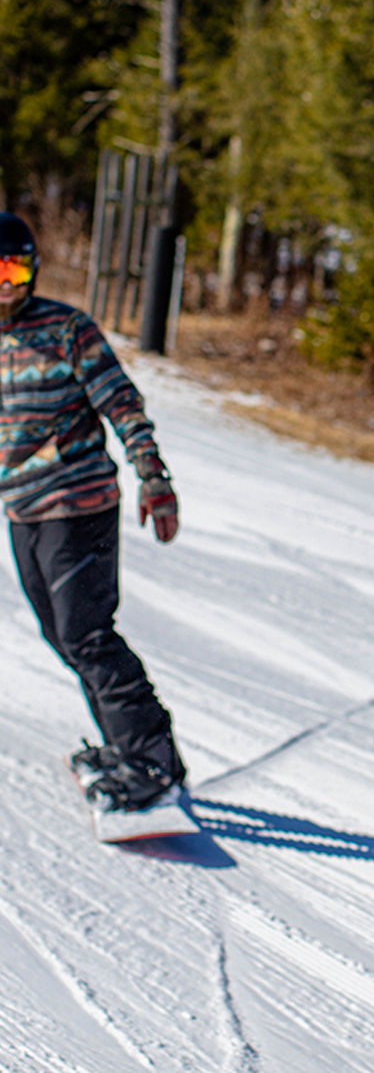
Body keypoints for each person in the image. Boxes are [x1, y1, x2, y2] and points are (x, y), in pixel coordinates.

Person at [0, 211, 186, 814]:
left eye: (16, 268)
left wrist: (152, 476)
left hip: (78, 504)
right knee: (63, 636)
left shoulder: (65, 329)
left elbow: (122, 403)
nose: (6, 283)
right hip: (22, 508)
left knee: (87, 632)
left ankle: (152, 760)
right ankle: (124, 745)